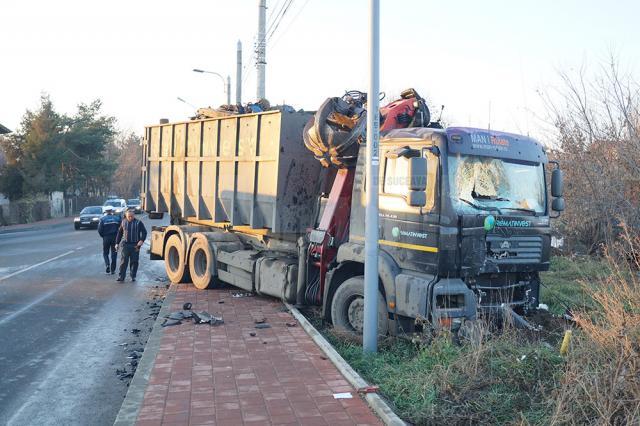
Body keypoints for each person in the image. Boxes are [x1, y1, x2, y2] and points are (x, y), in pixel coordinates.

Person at [115, 209, 147, 282]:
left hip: (135, 245)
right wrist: (117, 243)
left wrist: (141, 240)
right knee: (123, 262)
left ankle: (133, 276)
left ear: (134, 215)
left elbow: (144, 232)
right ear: (126, 216)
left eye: (132, 216)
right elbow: (119, 233)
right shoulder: (123, 222)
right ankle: (121, 277)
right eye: (129, 216)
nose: (130, 218)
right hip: (125, 244)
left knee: (134, 261)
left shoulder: (138, 222)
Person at [97, 207, 120, 274]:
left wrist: (103, 236)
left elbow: (99, 230)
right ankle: (113, 270)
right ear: (111, 211)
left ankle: (107, 265)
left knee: (105, 253)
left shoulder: (102, 219)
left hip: (106, 238)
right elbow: (121, 228)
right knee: (114, 253)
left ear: (106, 211)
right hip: (115, 238)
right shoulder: (116, 218)